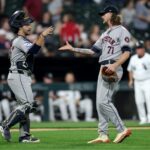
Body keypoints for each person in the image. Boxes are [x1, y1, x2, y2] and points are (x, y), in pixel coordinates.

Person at [59, 5, 132, 143]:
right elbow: (92, 51)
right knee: (100, 103)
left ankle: (122, 129)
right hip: (103, 67)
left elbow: (127, 53)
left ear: (111, 14)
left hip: (113, 67)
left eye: (104, 13)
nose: (102, 16)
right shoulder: (105, 34)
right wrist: (73, 48)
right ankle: (103, 134)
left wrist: (115, 66)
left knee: (104, 101)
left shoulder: (122, 31)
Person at [0, 10, 53, 143]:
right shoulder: (19, 40)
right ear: (19, 26)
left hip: (20, 76)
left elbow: (33, 49)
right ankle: (5, 125)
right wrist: (42, 35)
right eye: (26, 24)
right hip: (18, 76)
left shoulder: (21, 40)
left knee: (25, 107)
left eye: (30, 23)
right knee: (28, 104)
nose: (30, 26)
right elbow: (34, 50)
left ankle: (25, 136)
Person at [127, 41, 150, 125]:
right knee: (139, 101)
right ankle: (143, 118)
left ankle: (149, 118)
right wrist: (130, 80)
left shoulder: (148, 57)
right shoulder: (133, 58)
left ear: (143, 49)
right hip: (137, 82)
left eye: (140, 48)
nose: (138, 50)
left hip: (147, 81)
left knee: (149, 100)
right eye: (137, 49)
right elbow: (130, 70)